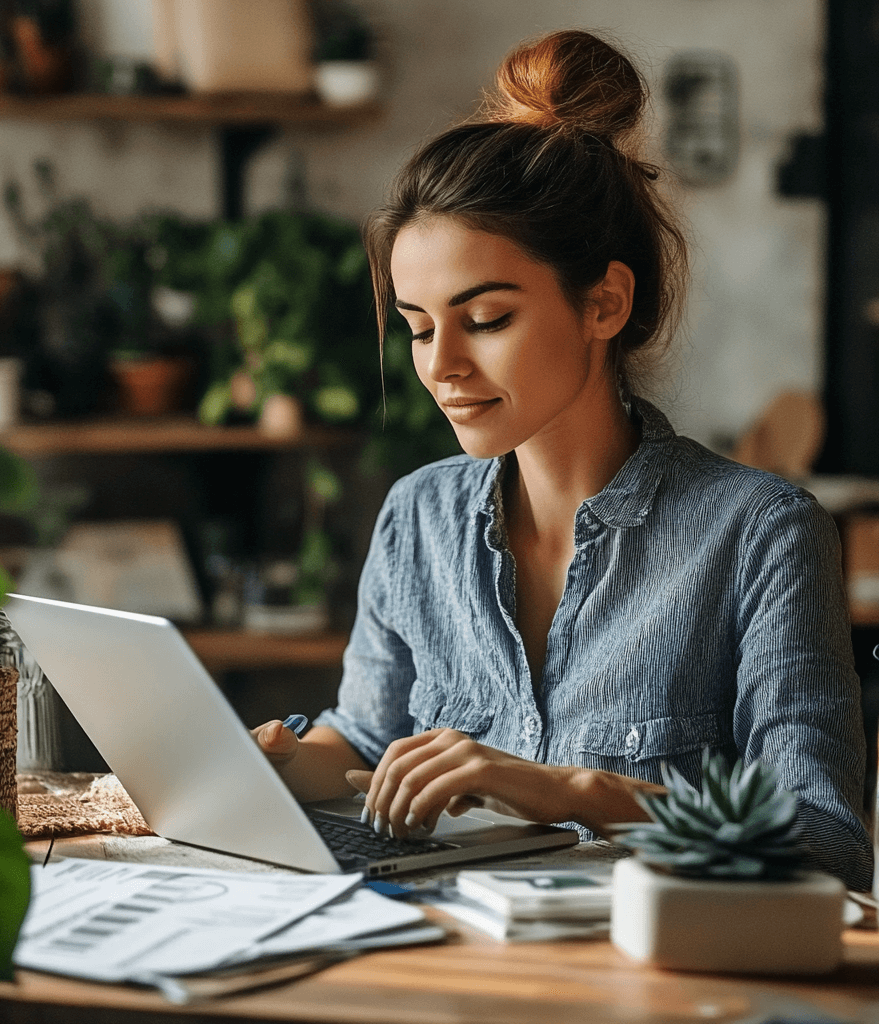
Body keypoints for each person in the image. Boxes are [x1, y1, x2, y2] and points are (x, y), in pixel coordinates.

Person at [253, 29, 874, 891]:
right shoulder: (417, 516)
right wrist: (268, 763)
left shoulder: (760, 532)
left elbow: (829, 840)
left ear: (605, 303)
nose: (441, 367)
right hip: (447, 961)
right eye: (421, 326)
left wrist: (575, 791)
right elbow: (362, 741)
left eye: (488, 319)